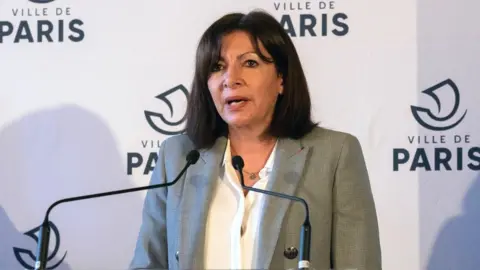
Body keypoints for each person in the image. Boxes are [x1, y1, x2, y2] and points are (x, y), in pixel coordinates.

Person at [129, 9, 381, 270]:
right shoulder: (178, 156)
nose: (231, 79)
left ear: (281, 79)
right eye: (217, 67)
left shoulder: (334, 154)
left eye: (250, 63)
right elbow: (148, 263)